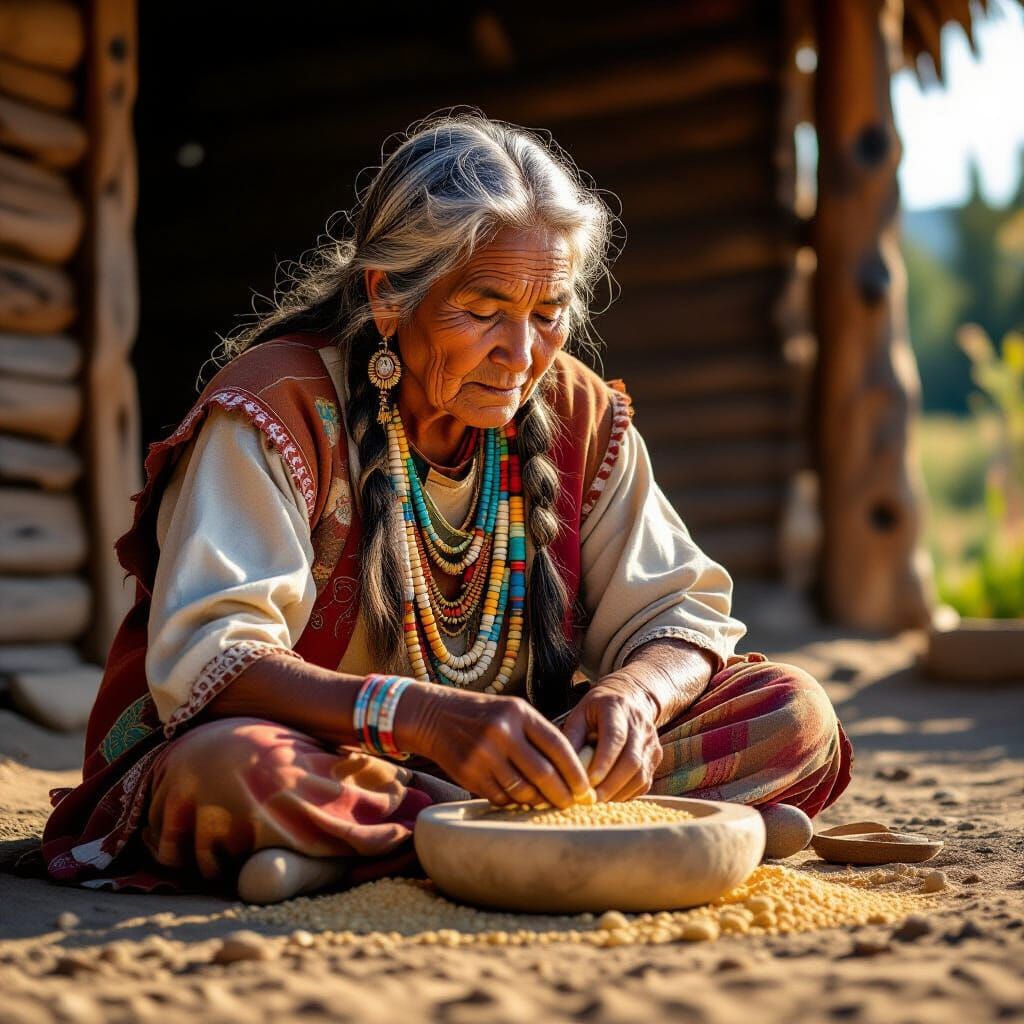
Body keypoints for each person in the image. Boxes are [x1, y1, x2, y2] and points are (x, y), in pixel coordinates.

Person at [42, 111, 853, 902]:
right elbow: (212, 658)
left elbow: (680, 613)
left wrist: (633, 699)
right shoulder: (277, 408)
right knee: (231, 772)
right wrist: (422, 720)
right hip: (321, 755)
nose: (523, 354)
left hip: (513, 765)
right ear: (388, 296)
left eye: (548, 313)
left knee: (792, 712)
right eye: (485, 310)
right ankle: (562, 834)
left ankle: (368, 852)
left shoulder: (577, 411)